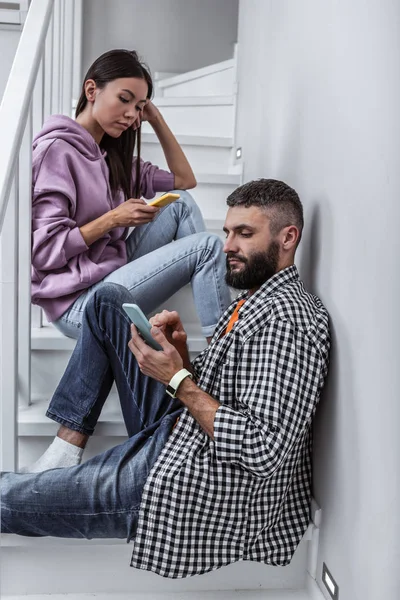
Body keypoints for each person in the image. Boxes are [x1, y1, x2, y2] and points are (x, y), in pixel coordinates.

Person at [2, 179, 330, 579]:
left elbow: (261, 448)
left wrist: (177, 379)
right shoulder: (257, 298)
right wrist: (182, 358)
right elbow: (227, 394)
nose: (227, 246)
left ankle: (65, 476)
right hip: (180, 430)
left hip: (191, 478)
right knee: (107, 301)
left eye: (245, 234)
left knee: (12, 498)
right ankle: (66, 448)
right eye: (227, 232)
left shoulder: (285, 323)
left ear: (287, 238)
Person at [31, 48, 231, 341]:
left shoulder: (110, 157)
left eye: (138, 107)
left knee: (180, 203)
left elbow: (185, 180)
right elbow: (44, 251)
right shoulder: (56, 152)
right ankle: (223, 350)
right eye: (124, 99)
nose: (130, 114)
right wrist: (113, 219)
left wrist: (156, 118)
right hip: (78, 305)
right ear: (91, 90)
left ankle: (205, 282)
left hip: (109, 276)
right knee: (207, 247)